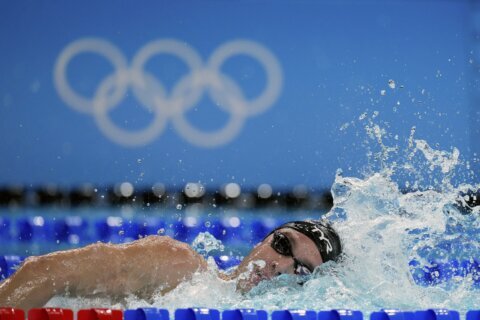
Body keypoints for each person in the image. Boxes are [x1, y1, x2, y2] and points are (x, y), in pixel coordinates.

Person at [0, 220, 342, 310]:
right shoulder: (178, 268)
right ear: (262, 240)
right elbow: (42, 274)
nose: (279, 265)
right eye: (281, 245)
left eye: (300, 271)